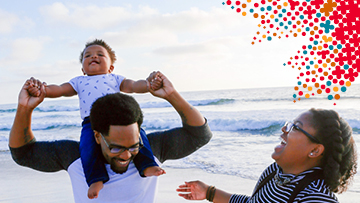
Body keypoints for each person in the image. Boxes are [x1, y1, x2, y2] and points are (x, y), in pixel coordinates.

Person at [10, 71, 212, 203]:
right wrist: (24, 109)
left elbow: (200, 134)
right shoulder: (75, 156)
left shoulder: (150, 150)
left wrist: (171, 95)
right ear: (97, 136)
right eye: (115, 148)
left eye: (133, 146)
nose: (126, 155)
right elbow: (23, 153)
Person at [27, 39, 165, 199]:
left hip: (118, 119)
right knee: (87, 148)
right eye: (88, 56)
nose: (93, 57)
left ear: (111, 67)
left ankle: (147, 165)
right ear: (83, 69)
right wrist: (41, 90)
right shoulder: (79, 81)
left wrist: (149, 85)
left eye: (100, 54)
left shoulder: (115, 78)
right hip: (90, 122)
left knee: (139, 136)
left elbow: (133, 86)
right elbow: (59, 89)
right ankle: (96, 179)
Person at [176, 109, 357, 202]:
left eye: (296, 127)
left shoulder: (315, 198)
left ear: (315, 151)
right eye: (289, 124)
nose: (284, 129)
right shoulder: (275, 172)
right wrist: (209, 192)